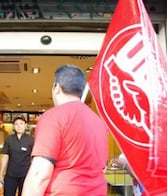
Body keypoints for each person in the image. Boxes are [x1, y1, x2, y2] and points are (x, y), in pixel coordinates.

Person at [22, 64, 109, 195]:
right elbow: (103, 168)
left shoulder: (53, 117)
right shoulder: (99, 122)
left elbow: (39, 174)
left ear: (56, 87)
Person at [0, 116, 34, 196]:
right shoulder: (9, 139)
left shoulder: (31, 140)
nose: (19, 126)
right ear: (14, 126)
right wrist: (1, 173)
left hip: (25, 175)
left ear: (25, 125)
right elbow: (5, 157)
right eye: (16, 124)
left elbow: (33, 159)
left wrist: (33, 175)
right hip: (11, 174)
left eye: (21, 124)